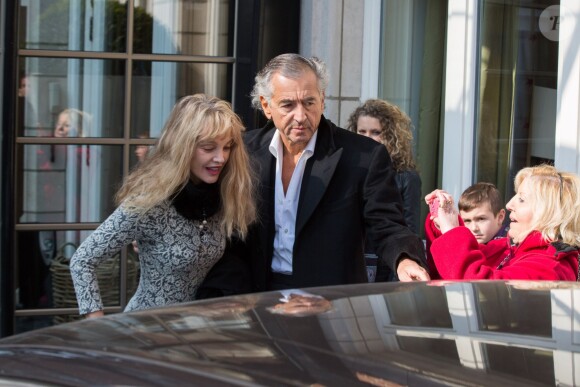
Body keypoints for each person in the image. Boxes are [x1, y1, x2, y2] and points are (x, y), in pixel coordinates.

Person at [205, 53, 428, 293]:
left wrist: (404, 259)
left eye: (309, 102)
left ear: (322, 100)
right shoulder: (245, 151)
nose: (300, 116)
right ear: (266, 106)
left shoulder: (363, 157)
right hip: (257, 298)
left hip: (330, 304)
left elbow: (387, 224)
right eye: (288, 105)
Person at [70, 94, 257, 318]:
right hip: (146, 331)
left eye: (227, 148)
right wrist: (97, 325)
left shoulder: (223, 196)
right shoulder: (150, 203)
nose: (221, 158)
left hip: (195, 332)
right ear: (182, 147)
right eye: (208, 148)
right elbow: (82, 261)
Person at [424, 164, 580, 280]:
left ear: (548, 213)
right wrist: (444, 220)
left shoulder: (551, 265)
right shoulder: (511, 247)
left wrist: (451, 231)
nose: (509, 205)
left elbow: (480, 289)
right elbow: (471, 255)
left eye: (522, 199)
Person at [347, 99, 422, 234]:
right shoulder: (347, 170)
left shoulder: (406, 177)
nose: (367, 138)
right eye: (362, 131)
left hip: (387, 253)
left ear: (391, 136)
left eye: (375, 132)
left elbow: (410, 231)